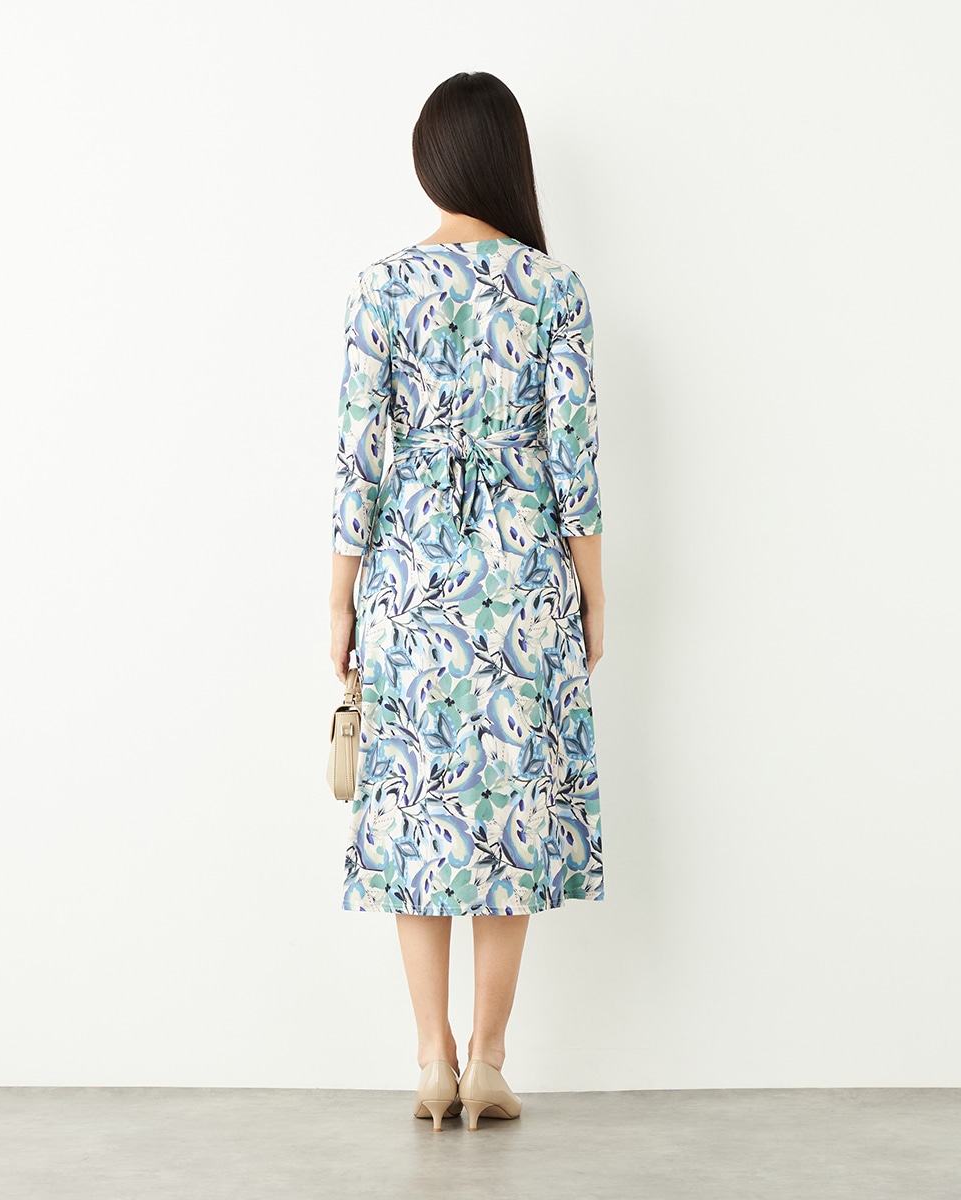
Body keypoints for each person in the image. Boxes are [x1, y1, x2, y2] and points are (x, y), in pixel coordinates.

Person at [328, 71, 606, 1132]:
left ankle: (431, 1060)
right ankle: (489, 1060)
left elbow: (357, 456)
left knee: (414, 816)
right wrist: (592, 591)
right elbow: (573, 460)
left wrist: (341, 598)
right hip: (523, 577)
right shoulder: (554, 291)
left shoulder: (380, 287)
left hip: (409, 576)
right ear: (508, 160)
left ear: (432, 160)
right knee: (508, 817)